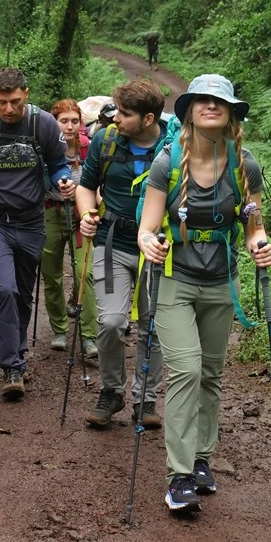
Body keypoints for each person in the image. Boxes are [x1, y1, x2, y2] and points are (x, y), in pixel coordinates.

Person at [137, 73, 271, 511]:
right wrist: (149, 242)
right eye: (202, 101)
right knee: (187, 371)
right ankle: (178, 477)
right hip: (175, 278)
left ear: (231, 111)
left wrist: (259, 245)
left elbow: (255, 226)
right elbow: (147, 227)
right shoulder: (168, 162)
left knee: (212, 374)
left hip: (222, 282)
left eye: (220, 102)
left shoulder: (244, 165)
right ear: (190, 111)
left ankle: (201, 459)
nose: (211, 107)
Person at [0, 67, 74, 400]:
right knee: (3, 289)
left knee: (21, 292)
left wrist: (64, 179)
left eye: (15, 102)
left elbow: (58, 163)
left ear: (26, 95)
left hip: (32, 221)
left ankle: (16, 353)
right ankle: (12, 366)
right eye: (3, 102)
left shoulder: (42, 124)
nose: (9, 109)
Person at [76, 79, 168, 430]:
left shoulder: (173, 147)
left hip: (158, 249)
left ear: (147, 118)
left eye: (125, 114)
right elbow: (86, 187)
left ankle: (145, 399)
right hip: (112, 243)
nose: (116, 119)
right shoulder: (105, 139)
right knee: (111, 321)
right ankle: (111, 391)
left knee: (152, 326)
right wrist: (86, 215)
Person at [40, 99, 98, 357]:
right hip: (51, 212)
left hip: (81, 216)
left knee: (84, 272)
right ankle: (60, 330)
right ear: (55, 122)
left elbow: (98, 181)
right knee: (51, 274)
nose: (70, 126)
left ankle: (88, 336)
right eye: (64, 121)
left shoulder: (88, 148)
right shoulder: (44, 148)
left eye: (75, 120)